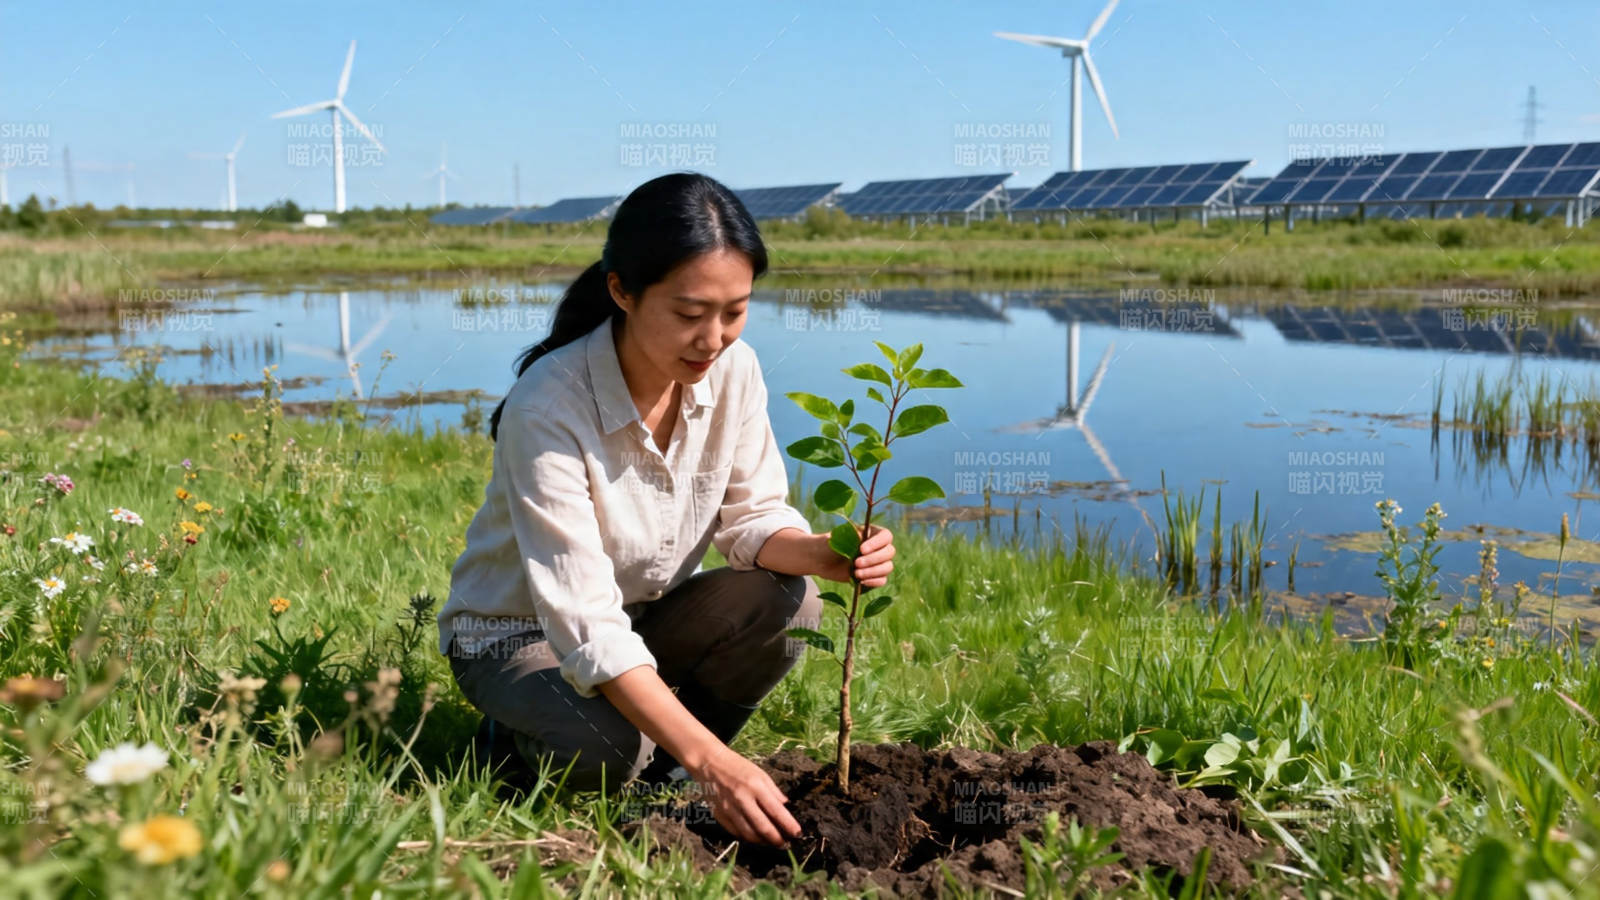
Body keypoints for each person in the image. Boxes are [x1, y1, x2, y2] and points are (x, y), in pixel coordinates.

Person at [438, 172, 896, 848]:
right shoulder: (549, 406)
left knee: (789, 601)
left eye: (735, 311)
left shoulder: (735, 372)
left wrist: (827, 553)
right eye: (689, 314)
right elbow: (585, 619)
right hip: (518, 636)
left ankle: (664, 767)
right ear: (622, 290)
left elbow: (752, 517)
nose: (713, 338)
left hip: (637, 619)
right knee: (609, 747)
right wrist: (713, 759)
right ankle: (511, 747)